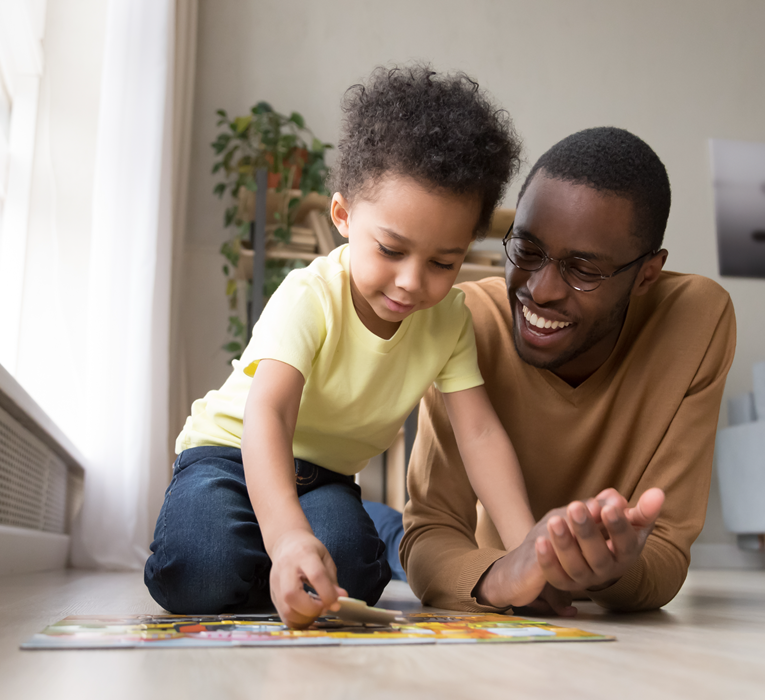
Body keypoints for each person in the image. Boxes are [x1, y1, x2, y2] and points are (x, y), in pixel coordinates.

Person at [144, 64, 531, 628]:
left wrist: (527, 550)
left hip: (324, 477)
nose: (410, 282)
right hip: (228, 454)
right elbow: (269, 415)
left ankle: (320, 530)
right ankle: (254, 532)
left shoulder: (450, 321)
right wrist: (290, 539)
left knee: (353, 570)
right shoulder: (310, 295)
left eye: (443, 262)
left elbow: (480, 433)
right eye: (392, 250)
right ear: (344, 216)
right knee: (199, 575)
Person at [397, 126, 737, 614]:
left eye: (583, 270)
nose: (541, 289)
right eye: (527, 251)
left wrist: (615, 568)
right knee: (361, 541)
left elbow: (664, 556)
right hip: (492, 562)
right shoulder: (467, 321)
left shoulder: (697, 320)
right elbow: (430, 533)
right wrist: (504, 576)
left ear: (647, 274)